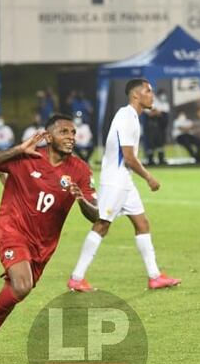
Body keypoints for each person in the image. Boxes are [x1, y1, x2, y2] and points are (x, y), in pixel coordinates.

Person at [0, 115, 98, 364]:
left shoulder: (80, 170)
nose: (70, 136)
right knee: (21, 285)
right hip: (12, 230)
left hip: (43, 245)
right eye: (63, 131)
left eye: (73, 132)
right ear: (48, 135)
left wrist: (83, 202)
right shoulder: (28, 157)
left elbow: (95, 214)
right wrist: (19, 149)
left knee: (16, 293)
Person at [68, 78, 181, 292]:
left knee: (142, 224)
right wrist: (149, 177)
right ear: (136, 95)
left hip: (124, 180)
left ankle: (155, 276)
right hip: (116, 181)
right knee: (102, 224)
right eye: (148, 91)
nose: (152, 95)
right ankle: (76, 277)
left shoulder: (130, 117)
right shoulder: (127, 117)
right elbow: (128, 157)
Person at [144, 91, 170, 165]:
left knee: (160, 143)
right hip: (150, 126)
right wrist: (156, 112)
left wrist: (157, 112)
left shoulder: (163, 102)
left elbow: (163, 112)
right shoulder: (147, 102)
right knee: (150, 143)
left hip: (160, 126)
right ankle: (150, 160)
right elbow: (150, 113)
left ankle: (161, 159)